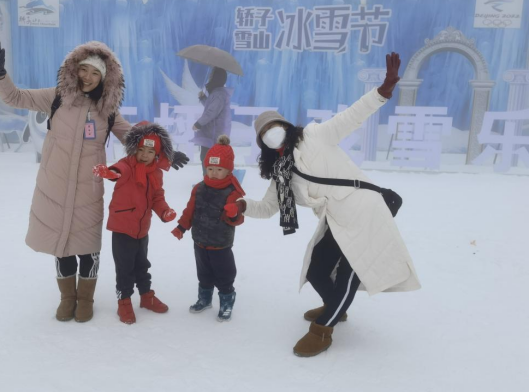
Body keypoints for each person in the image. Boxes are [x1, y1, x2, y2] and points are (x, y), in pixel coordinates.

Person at [0, 35, 188, 323]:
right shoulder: (55, 97)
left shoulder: (107, 112)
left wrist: (166, 154)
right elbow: (15, 97)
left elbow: (137, 140)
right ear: (74, 69)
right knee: (61, 246)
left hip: (89, 190)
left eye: (95, 73)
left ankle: (86, 299)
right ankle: (68, 298)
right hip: (54, 185)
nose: (88, 77)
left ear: (105, 78)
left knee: (88, 247)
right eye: (83, 69)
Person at [232, 52, 420, 357]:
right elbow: (267, 207)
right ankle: (335, 305)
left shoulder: (315, 136)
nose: (271, 133)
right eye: (264, 133)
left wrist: (382, 91)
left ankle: (323, 329)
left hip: (364, 211)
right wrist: (242, 206)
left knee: (349, 272)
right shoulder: (281, 173)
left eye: (274, 126)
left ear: (286, 125)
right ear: (262, 143)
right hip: (335, 219)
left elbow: (352, 116)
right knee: (317, 269)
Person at [93, 122, 177, 324]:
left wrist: (164, 211)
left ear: (157, 154)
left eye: (150, 151)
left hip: (142, 229)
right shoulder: (127, 165)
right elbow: (119, 171)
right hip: (123, 228)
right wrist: (110, 173)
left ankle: (146, 296)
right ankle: (124, 302)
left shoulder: (155, 173)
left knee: (142, 264)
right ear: (134, 149)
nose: (145, 155)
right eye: (141, 150)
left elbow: (157, 197)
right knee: (125, 268)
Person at [172, 135, 245, 322]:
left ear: (228, 170)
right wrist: (181, 227)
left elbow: (238, 219)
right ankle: (204, 299)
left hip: (221, 244)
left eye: (219, 169)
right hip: (200, 241)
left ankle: (227, 300)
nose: (213, 173)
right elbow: (190, 210)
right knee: (203, 273)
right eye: (210, 168)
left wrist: (233, 213)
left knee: (224, 274)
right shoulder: (199, 188)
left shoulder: (233, 192)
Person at [192, 67, 231, 175]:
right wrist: (203, 98)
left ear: (216, 78)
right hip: (212, 133)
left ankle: (210, 180)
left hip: (214, 134)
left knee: (209, 158)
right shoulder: (217, 93)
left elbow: (211, 112)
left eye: (211, 75)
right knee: (207, 158)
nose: (209, 78)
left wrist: (198, 123)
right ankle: (209, 179)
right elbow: (210, 107)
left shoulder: (219, 94)